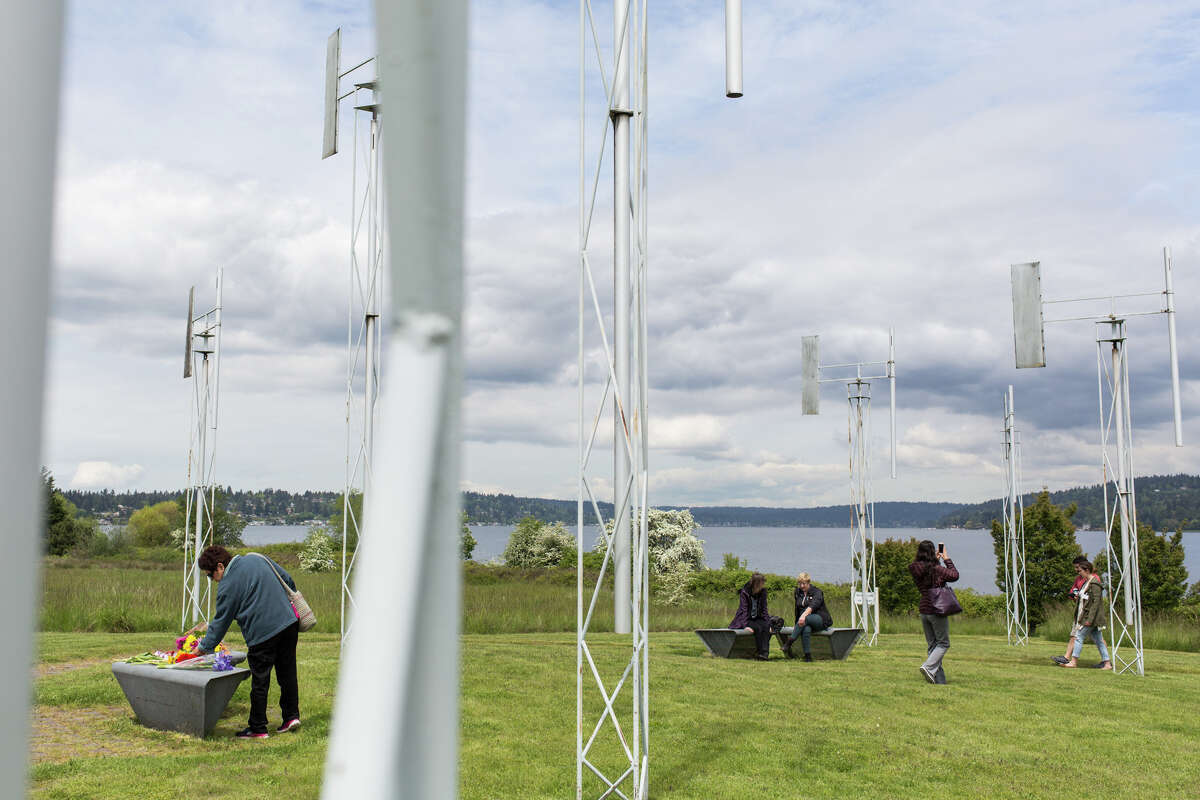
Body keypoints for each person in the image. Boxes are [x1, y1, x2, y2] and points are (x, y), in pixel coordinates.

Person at [194, 545, 302, 738]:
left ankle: (258, 727)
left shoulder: (227, 585)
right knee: (287, 672)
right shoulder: (256, 558)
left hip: (262, 633)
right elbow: (287, 579)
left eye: (210, 575)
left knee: (260, 679)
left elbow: (220, 622)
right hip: (289, 622)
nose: (212, 580)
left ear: (220, 566)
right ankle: (291, 717)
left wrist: (203, 648)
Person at [909, 540, 959, 684]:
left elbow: (926, 570)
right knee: (943, 644)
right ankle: (928, 666)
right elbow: (954, 575)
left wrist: (936, 560)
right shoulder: (936, 569)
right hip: (937, 608)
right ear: (932, 552)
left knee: (933, 645)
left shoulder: (915, 568)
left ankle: (939, 680)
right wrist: (946, 558)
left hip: (924, 609)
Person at [1061, 560, 1111, 670]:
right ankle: (1107, 663)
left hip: (1090, 618)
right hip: (1086, 617)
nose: (1079, 573)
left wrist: (1089, 619)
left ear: (1087, 570)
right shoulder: (1086, 582)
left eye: (1080, 571)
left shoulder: (1095, 583)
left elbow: (1096, 603)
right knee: (1099, 640)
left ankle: (1073, 661)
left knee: (1079, 636)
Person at [783, 572, 832, 662]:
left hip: (820, 619)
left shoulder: (817, 592)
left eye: (804, 584)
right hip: (804, 620)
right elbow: (797, 608)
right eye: (800, 583)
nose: (801, 586)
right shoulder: (797, 592)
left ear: (808, 583)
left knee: (806, 619)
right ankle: (808, 656)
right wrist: (797, 622)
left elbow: (813, 606)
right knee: (806, 629)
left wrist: (803, 617)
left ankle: (789, 642)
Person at [1053, 556, 1091, 665]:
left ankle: (1070, 659)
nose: (1076, 571)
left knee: (1080, 636)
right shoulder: (1078, 578)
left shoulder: (1093, 578)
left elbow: (1094, 597)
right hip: (1079, 611)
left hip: (1087, 613)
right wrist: (1074, 596)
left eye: (1078, 568)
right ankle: (1106, 661)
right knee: (1076, 635)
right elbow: (1073, 590)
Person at [729, 572, 772, 660]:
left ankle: (765, 654)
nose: (763, 585)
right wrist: (745, 626)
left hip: (757, 617)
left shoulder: (763, 592)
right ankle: (760, 653)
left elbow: (764, 609)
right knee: (758, 628)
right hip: (746, 619)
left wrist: (769, 623)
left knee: (766, 627)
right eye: (762, 583)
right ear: (757, 584)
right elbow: (743, 610)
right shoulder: (745, 592)